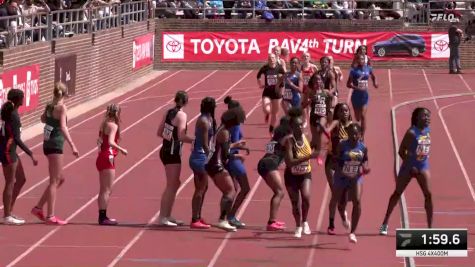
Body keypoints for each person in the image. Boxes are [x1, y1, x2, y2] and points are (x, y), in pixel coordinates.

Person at [31, 83, 79, 225]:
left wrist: (50, 117)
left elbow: (42, 119)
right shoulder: (62, 108)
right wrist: (73, 145)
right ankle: (50, 216)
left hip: (47, 144)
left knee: (60, 178)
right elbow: (63, 127)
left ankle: (38, 207)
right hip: (56, 144)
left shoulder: (49, 106)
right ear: (64, 95)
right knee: (54, 181)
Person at [380, 107, 432, 235]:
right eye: (424, 115)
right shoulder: (411, 133)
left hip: (423, 167)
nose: (427, 118)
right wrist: (411, 165)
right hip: (409, 168)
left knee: (428, 195)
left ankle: (430, 228)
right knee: (397, 193)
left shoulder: (427, 130)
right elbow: (401, 151)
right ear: (417, 118)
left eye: (428, 116)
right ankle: (385, 223)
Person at [205, 107, 248, 232]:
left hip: (213, 163)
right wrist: (238, 154)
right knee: (230, 192)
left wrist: (236, 145)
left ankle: (223, 219)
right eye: (238, 121)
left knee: (229, 191)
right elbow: (225, 154)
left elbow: (224, 147)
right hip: (215, 164)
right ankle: (222, 220)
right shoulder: (224, 132)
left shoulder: (222, 128)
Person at [1, 89, 38, 225]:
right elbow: (16, 139)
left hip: (10, 150)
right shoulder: (14, 115)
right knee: (10, 182)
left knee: (21, 179)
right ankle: (6, 216)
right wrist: (31, 154)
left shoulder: (10, 112)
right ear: (18, 100)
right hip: (8, 151)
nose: (24, 98)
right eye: (22, 97)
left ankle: (9, 211)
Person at [327, 123, 369, 243]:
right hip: (341, 177)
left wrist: (364, 168)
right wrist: (343, 169)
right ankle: (340, 218)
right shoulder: (342, 145)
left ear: (360, 134)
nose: (353, 136)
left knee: (357, 201)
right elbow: (335, 161)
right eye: (351, 134)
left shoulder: (363, 147)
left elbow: (365, 161)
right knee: (339, 202)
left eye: (356, 134)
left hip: (356, 177)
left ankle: (352, 232)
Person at [157, 91, 194, 227]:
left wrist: (170, 139)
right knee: (171, 185)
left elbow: (159, 132)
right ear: (185, 102)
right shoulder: (182, 115)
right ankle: (163, 216)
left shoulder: (168, 112)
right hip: (172, 153)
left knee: (175, 183)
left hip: (165, 150)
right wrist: (197, 141)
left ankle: (167, 215)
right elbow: (181, 136)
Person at [283, 107, 319, 238]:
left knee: (306, 198)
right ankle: (298, 226)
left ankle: (305, 221)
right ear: (292, 127)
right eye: (297, 125)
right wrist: (309, 157)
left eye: (301, 124)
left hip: (305, 174)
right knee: (295, 203)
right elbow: (290, 162)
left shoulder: (305, 137)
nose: (301, 127)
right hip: (291, 176)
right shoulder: (289, 141)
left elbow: (314, 147)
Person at [93, 104, 127, 225]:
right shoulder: (113, 125)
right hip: (108, 157)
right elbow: (111, 142)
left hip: (101, 156)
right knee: (107, 190)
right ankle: (103, 217)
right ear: (117, 113)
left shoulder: (103, 124)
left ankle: (102, 216)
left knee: (103, 189)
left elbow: (99, 141)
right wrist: (122, 150)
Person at [257, 116, 292, 231]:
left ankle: (273, 220)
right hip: (270, 164)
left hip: (263, 163)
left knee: (278, 192)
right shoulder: (286, 139)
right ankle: (271, 222)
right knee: (279, 192)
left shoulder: (274, 138)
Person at [323, 103, 353, 231]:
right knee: (335, 193)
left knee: (343, 196)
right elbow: (328, 129)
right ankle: (331, 224)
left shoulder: (353, 127)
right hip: (332, 162)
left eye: (346, 110)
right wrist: (324, 127)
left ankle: (343, 214)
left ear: (349, 112)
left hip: (345, 163)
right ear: (338, 113)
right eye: (341, 111)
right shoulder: (336, 123)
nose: (344, 112)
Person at [189, 97, 216, 229]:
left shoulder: (208, 118)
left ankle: (198, 216)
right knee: (200, 189)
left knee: (204, 188)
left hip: (201, 156)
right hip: (200, 158)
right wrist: (213, 157)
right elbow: (205, 144)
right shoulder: (204, 121)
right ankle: (194, 219)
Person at [224, 96, 250, 228]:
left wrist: (242, 147)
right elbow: (228, 145)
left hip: (232, 158)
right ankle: (230, 216)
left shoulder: (234, 124)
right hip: (232, 160)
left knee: (233, 190)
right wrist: (238, 147)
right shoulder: (232, 126)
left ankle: (227, 216)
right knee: (245, 188)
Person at [347, 54, 378, 137]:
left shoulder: (368, 68)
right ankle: (359, 127)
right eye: (359, 59)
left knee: (363, 116)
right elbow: (348, 84)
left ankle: (362, 135)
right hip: (355, 97)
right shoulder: (353, 71)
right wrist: (357, 88)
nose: (361, 60)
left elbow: (373, 77)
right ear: (357, 60)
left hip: (365, 96)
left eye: (362, 59)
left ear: (364, 60)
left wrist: (375, 83)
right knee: (358, 118)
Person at [305, 73, 331, 166]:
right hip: (313, 117)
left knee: (320, 132)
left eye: (319, 80)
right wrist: (309, 101)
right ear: (312, 81)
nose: (317, 81)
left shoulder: (326, 92)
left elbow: (330, 103)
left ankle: (318, 155)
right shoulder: (310, 92)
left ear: (322, 81)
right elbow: (303, 104)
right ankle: (307, 149)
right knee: (314, 139)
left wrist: (328, 111)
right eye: (315, 80)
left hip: (323, 116)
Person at [257, 53, 285, 134]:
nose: (271, 59)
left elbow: (284, 78)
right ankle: (267, 114)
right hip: (267, 92)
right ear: (268, 60)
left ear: (276, 59)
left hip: (277, 93)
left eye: (273, 58)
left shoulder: (279, 68)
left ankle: (271, 129)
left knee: (275, 113)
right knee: (267, 109)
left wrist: (281, 88)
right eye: (270, 58)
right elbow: (258, 76)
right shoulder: (265, 68)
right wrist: (260, 84)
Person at [300, 52, 318, 127]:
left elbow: (318, 77)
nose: (306, 57)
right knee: (303, 104)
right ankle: (305, 120)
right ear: (302, 58)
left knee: (311, 104)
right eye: (304, 56)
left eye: (307, 56)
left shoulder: (313, 67)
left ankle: (311, 117)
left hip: (311, 89)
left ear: (309, 58)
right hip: (303, 88)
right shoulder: (300, 67)